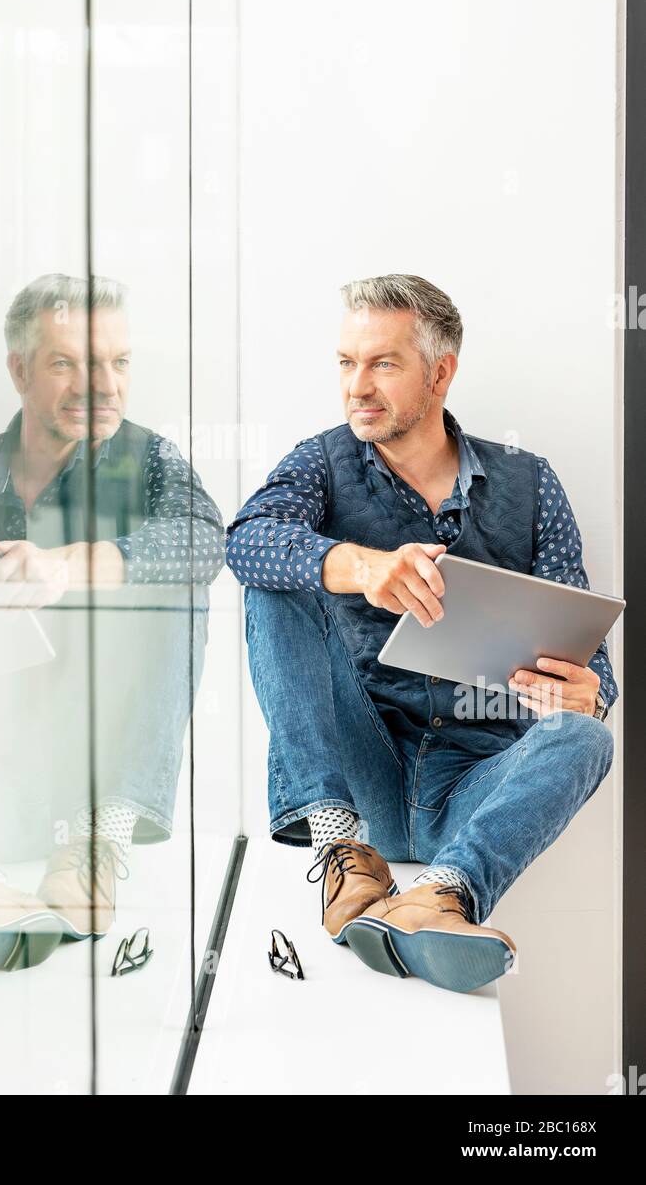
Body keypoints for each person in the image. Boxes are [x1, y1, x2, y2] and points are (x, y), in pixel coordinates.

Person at [225, 273, 617, 994]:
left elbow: (593, 660)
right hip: (363, 774)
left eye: (382, 364)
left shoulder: (529, 483)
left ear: (441, 372)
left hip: (475, 784)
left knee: (590, 738)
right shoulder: (323, 462)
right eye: (346, 363)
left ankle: (438, 897)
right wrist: (357, 565)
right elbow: (246, 540)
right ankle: (340, 851)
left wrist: (590, 693)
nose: (356, 387)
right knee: (274, 582)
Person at [0, 273, 223, 981]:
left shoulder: (148, 459)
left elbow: (205, 542)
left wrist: (71, 564)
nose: (100, 385)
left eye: (118, 363)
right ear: (19, 370)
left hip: (90, 785)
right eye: (69, 363)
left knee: (175, 585)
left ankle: (90, 852)